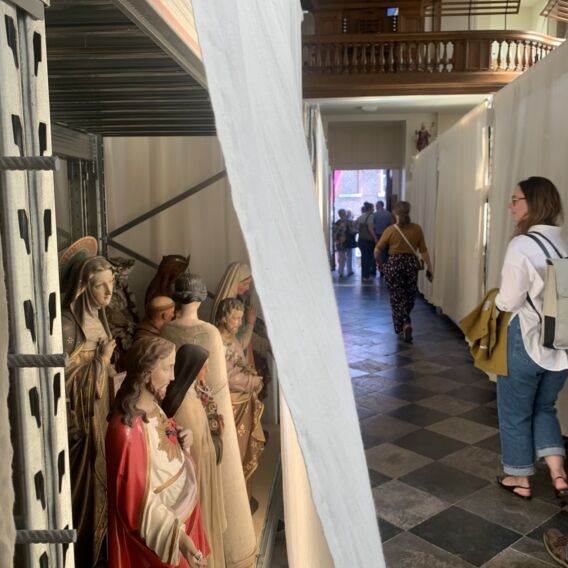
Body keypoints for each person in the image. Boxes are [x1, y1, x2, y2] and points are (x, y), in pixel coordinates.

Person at [160, 273, 258, 568]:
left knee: (181, 483)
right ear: (200, 300)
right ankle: (210, 547)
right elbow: (216, 385)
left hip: (173, 413)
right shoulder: (210, 333)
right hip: (200, 413)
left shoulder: (166, 330)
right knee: (205, 480)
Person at [494, 177, 568, 500]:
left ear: (533, 203)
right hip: (562, 345)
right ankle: (558, 474)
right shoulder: (562, 244)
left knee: (515, 411)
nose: (510, 206)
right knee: (544, 407)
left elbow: (510, 300)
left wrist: (496, 303)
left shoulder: (521, 245)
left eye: (516, 199)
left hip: (526, 340)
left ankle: (519, 478)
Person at [106, 336, 209, 568]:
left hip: (183, 518)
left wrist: (183, 442)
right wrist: (179, 539)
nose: (173, 377)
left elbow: (162, 449)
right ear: (146, 373)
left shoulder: (152, 407)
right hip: (161, 541)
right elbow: (135, 505)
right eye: (167, 368)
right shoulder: (126, 431)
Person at [61, 255, 116, 567]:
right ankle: (84, 553)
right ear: (84, 288)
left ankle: (100, 548)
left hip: (101, 413)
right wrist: (102, 361)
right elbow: (62, 383)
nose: (109, 292)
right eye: (100, 286)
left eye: (112, 283)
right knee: (86, 487)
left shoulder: (100, 318)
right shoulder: (69, 327)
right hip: (82, 424)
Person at [162, 344, 227, 568]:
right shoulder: (184, 405)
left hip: (201, 475)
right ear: (192, 368)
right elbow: (196, 450)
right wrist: (217, 442)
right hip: (196, 480)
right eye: (203, 367)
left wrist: (215, 438)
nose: (207, 371)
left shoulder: (191, 394)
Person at [216, 298, 265, 482]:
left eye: (240, 318)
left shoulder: (231, 338)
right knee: (234, 451)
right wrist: (252, 382)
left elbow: (239, 366)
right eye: (235, 318)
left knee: (241, 451)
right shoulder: (218, 341)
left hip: (241, 402)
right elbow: (228, 377)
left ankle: (242, 488)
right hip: (231, 405)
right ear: (223, 318)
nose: (238, 323)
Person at [374, 201, 433, 343]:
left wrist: (379, 263)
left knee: (396, 297)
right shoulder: (417, 229)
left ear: (394, 213)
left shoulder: (390, 230)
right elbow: (423, 250)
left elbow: (377, 250)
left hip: (394, 265)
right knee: (409, 295)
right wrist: (430, 267)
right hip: (410, 265)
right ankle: (405, 322)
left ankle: (403, 325)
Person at [356, 202, 378, 281]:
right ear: (370, 209)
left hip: (361, 239)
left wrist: (359, 230)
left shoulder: (361, 216)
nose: (374, 209)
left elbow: (354, 224)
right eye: (373, 208)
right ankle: (366, 276)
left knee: (363, 258)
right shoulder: (370, 216)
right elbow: (370, 228)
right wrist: (375, 238)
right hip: (368, 240)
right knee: (368, 258)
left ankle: (363, 275)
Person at [373, 200, 394, 274]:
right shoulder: (388, 214)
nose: (375, 207)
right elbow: (392, 225)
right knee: (384, 252)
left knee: (376, 251)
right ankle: (384, 270)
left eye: (376, 205)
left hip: (377, 235)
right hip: (386, 235)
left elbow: (372, 226)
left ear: (379, 205)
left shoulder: (374, 215)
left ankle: (377, 269)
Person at [333, 209, 352, 279]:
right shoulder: (347, 222)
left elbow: (334, 234)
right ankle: (345, 271)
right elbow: (335, 233)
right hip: (343, 242)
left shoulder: (338, 223)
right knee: (345, 257)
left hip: (344, 242)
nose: (343, 215)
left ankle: (343, 271)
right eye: (342, 214)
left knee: (344, 257)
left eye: (343, 213)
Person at [345, 210, 356, 276]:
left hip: (341, 241)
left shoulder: (338, 222)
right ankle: (349, 270)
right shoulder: (351, 222)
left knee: (342, 256)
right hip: (349, 241)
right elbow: (353, 231)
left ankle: (341, 271)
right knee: (349, 256)